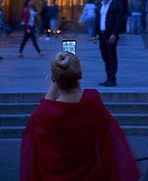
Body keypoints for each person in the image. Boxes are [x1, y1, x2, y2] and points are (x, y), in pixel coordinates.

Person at [20, 51, 140, 181]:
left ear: (54, 79)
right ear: (79, 75)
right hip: (91, 175)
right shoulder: (93, 102)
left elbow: (45, 110)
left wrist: (55, 81)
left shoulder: (44, 115)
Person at [93, 0, 122, 87]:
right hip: (102, 35)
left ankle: (112, 79)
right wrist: (94, 34)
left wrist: (115, 34)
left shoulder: (116, 5)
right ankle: (108, 78)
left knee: (112, 57)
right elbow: (97, 21)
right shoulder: (100, 5)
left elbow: (119, 21)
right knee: (105, 57)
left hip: (111, 35)